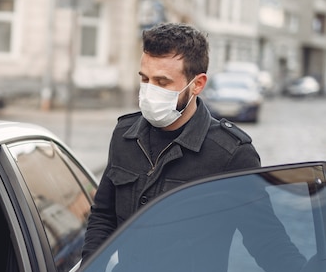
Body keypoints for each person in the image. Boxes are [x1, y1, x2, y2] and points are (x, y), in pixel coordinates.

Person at [82, 22, 261, 259]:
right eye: (145, 79)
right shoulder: (125, 135)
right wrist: (91, 271)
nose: (149, 90)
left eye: (162, 82)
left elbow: (264, 238)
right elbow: (104, 215)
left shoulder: (231, 153)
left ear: (197, 84)